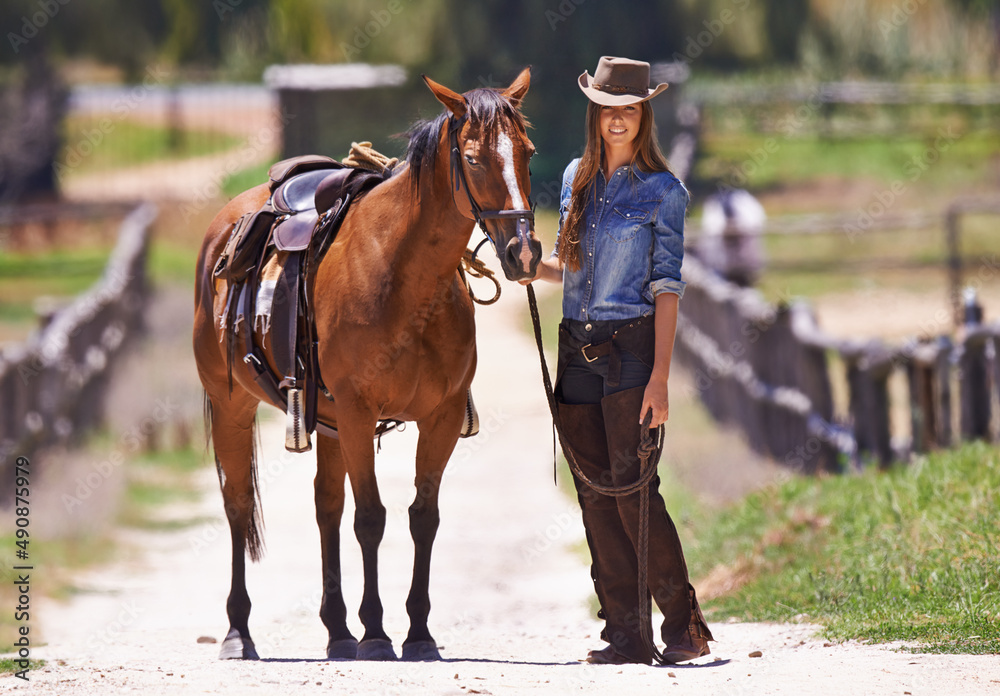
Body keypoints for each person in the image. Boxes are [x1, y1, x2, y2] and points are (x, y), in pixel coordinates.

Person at [521, 56, 713, 665]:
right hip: (576, 346)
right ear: (595, 113)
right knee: (594, 492)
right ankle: (624, 635)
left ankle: (681, 626)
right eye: (608, 109)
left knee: (635, 490)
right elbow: (569, 266)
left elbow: (666, 288)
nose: (618, 120)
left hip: (632, 350)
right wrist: (531, 267)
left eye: (629, 109)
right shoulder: (575, 177)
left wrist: (660, 376)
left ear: (643, 113)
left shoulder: (665, 192)